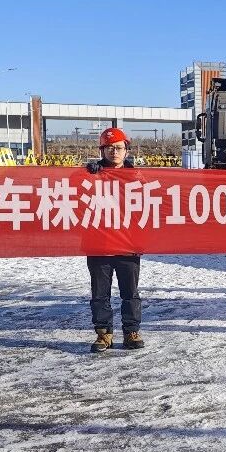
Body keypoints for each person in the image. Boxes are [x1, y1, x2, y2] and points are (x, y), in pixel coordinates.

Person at [84, 127, 146, 352]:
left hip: (128, 243)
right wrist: (86, 174)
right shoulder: (91, 175)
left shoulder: (137, 177)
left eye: (119, 147)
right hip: (98, 243)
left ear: (126, 150)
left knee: (130, 292)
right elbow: (71, 194)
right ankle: (104, 334)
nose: (114, 152)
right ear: (102, 150)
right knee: (100, 293)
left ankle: (131, 331)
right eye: (109, 148)